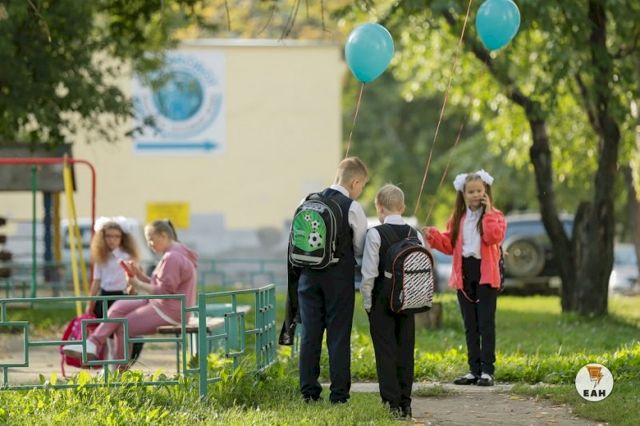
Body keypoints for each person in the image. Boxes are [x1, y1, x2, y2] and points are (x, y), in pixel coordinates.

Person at [63, 220, 198, 370]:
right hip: (164, 305)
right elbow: (160, 285)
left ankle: (119, 370)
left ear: (163, 235)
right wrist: (139, 275)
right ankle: (92, 343)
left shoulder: (172, 257)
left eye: (151, 239)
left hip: (170, 310)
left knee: (124, 326)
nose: (150, 244)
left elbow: (165, 292)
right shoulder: (175, 253)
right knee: (119, 307)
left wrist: (137, 284)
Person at [291, 156, 369, 404]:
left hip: (307, 277)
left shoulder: (307, 200)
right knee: (338, 336)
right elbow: (360, 247)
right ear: (355, 182)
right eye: (362, 186)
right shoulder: (352, 207)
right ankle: (339, 395)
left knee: (310, 334)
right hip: (338, 278)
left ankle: (309, 392)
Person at [424, 170, 506, 386]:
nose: (475, 195)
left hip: (486, 274)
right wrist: (433, 235)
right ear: (463, 194)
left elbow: (493, 237)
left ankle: (487, 371)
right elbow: (449, 245)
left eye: (479, 191)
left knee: (485, 323)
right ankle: (474, 370)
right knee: (470, 324)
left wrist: (488, 212)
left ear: (486, 192)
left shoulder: (495, 216)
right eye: (471, 191)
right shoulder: (458, 219)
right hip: (464, 273)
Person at [361, 184, 424, 418]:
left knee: (385, 353)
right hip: (408, 301)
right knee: (405, 352)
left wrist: (368, 303)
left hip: (382, 301)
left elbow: (368, 274)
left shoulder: (375, 234)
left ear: (379, 208)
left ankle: (392, 405)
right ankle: (406, 404)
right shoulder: (415, 234)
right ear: (402, 207)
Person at [86, 217, 140, 319]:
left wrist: (132, 294)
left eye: (117, 236)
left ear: (122, 238)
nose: (112, 240)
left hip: (121, 296)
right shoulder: (101, 255)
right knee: (102, 324)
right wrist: (90, 304)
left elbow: (133, 277)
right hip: (104, 296)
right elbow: (96, 280)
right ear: (102, 237)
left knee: (121, 325)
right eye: (108, 236)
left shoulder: (127, 256)